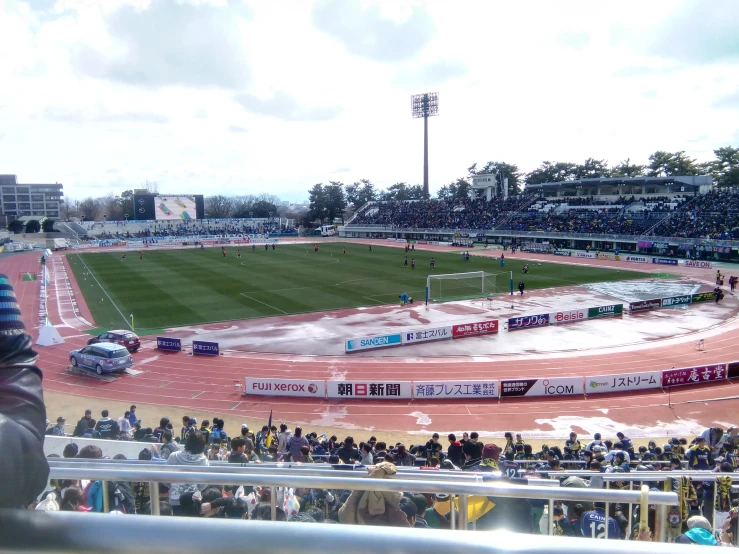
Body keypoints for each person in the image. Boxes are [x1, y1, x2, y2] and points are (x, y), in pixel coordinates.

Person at [166, 431, 209, 515]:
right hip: (193, 501)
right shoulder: (203, 460)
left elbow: (164, 477)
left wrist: (171, 486)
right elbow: (204, 484)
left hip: (174, 499)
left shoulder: (173, 456)